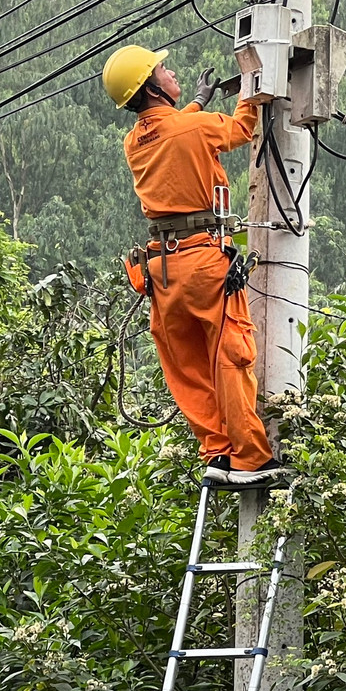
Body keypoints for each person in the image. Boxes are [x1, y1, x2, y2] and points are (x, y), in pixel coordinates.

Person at [102, 44, 284, 485]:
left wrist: (199, 101)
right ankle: (250, 458)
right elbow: (240, 129)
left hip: (162, 272)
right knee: (230, 355)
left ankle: (217, 451)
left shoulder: (134, 142)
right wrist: (251, 88)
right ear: (151, 87)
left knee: (187, 369)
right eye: (163, 69)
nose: (171, 72)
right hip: (205, 261)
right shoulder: (193, 128)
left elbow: (172, 131)